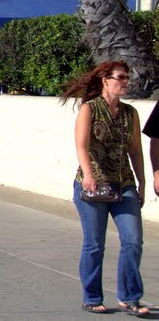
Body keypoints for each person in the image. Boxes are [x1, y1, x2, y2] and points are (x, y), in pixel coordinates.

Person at [62, 61, 149, 316]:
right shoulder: (90, 109)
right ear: (105, 80)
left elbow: (135, 149)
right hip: (93, 185)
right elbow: (81, 145)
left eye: (127, 77)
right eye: (121, 77)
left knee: (133, 241)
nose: (126, 82)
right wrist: (88, 174)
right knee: (95, 244)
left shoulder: (130, 113)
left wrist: (142, 181)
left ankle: (130, 298)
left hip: (124, 184)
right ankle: (92, 297)